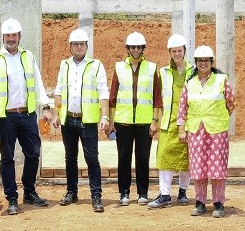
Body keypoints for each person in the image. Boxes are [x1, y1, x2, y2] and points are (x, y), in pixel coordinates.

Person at [0, 18, 52, 215]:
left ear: (19, 36)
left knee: (33, 153)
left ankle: (29, 192)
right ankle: (12, 198)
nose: (11, 39)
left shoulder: (28, 56)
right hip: (5, 117)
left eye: (14, 35)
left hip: (27, 113)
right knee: (7, 156)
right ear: (3, 37)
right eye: (8, 36)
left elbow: (37, 83)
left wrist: (45, 106)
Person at [52, 29, 109, 213]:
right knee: (70, 158)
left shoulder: (96, 65)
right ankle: (71, 192)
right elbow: (59, 90)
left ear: (86, 46)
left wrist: (105, 116)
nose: (79, 47)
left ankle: (96, 195)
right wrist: (56, 113)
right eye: (75, 44)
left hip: (88, 120)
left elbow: (103, 91)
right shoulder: (65, 65)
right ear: (70, 46)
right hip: (68, 119)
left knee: (92, 158)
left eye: (82, 44)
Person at [177, 45, 235, 218]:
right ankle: (200, 202)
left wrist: (217, 118)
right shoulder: (189, 82)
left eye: (206, 60)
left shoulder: (221, 79)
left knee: (217, 168)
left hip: (217, 131)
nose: (203, 63)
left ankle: (218, 203)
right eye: (200, 60)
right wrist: (182, 129)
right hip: (196, 130)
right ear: (195, 62)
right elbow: (182, 108)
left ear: (212, 62)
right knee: (198, 167)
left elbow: (230, 103)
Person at [106, 31, 162, 206]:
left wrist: (155, 121)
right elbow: (113, 96)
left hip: (145, 122)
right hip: (123, 122)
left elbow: (157, 97)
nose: (136, 50)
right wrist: (111, 121)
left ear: (143, 48)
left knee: (142, 158)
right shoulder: (119, 67)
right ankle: (124, 193)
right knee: (123, 158)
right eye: (132, 47)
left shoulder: (152, 68)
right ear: (128, 49)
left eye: (139, 47)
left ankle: (143, 193)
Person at [147, 34, 194, 209]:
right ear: (170, 52)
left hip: (189, 121)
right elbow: (157, 99)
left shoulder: (194, 70)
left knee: (186, 157)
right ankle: (165, 194)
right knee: (165, 156)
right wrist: (154, 120)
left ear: (184, 51)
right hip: (168, 120)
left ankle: (183, 191)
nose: (177, 54)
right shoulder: (163, 72)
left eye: (179, 51)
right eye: (174, 51)